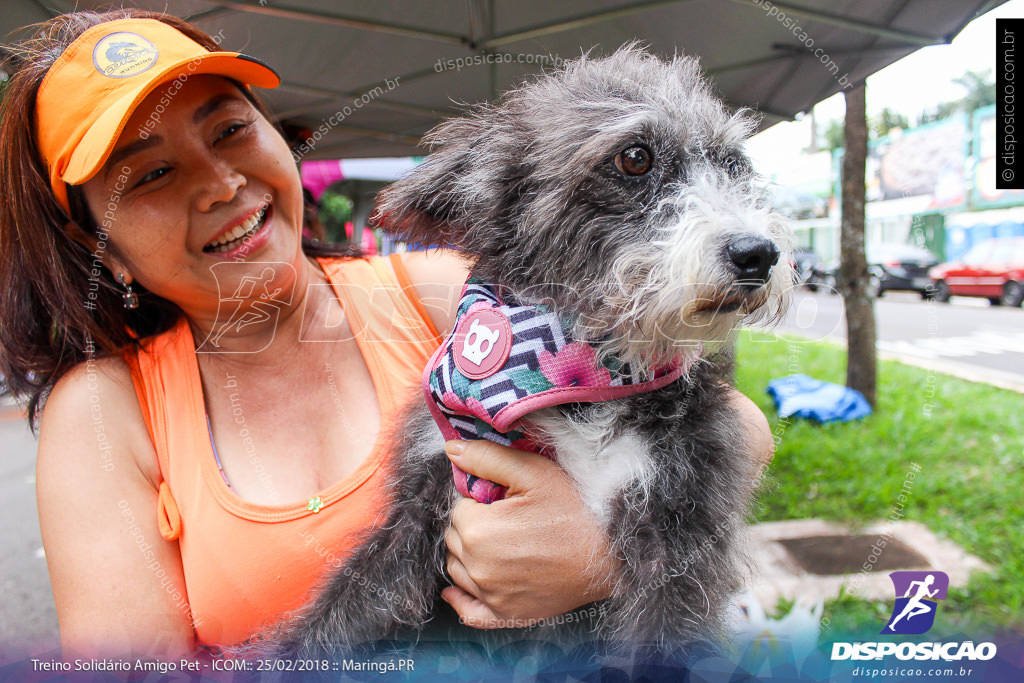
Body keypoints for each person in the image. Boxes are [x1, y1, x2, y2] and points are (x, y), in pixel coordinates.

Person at [0, 9, 774, 660]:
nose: (220, 183)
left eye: (230, 129)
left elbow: (731, 424)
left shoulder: (439, 294)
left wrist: (597, 554)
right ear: (91, 237)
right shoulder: (102, 413)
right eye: (150, 175)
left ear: (274, 133)